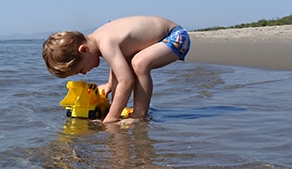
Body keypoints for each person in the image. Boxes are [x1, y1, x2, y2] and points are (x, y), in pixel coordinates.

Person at [42, 15, 190, 124]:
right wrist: (110, 85)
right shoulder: (99, 39)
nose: (85, 73)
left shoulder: (106, 43)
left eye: (81, 70)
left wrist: (111, 118)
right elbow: (119, 68)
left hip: (176, 37)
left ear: (84, 50)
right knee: (130, 62)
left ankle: (140, 115)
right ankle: (130, 112)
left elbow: (126, 81)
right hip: (165, 37)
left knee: (139, 63)